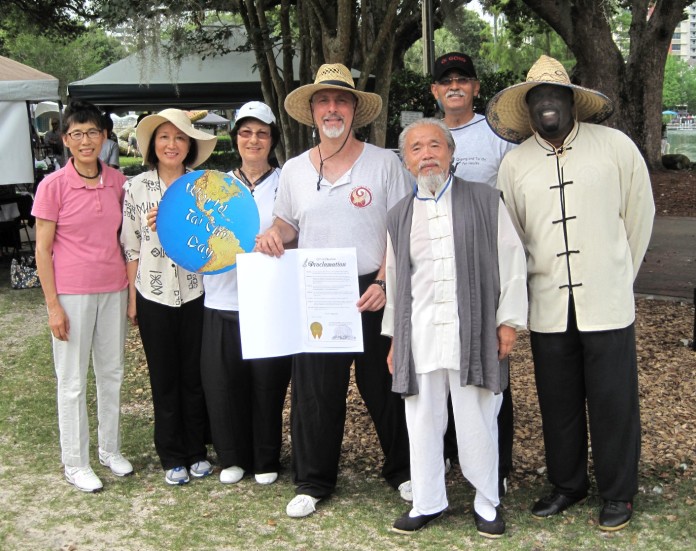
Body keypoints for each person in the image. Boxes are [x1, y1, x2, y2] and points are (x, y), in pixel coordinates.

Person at [487, 55, 655, 531]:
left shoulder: (616, 148)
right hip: (547, 306)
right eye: (537, 97)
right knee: (557, 403)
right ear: (528, 106)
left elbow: (639, 217)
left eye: (555, 95)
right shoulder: (515, 164)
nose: (547, 104)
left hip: (607, 302)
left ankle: (618, 493)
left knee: (613, 403)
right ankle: (567, 485)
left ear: (571, 101)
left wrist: (620, 276)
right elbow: (512, 238)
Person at [255, 63, 412, 518]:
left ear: (354, 110)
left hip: (371, 286)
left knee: (384, 384)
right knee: (315, 389)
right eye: (323, 101)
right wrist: (273, 235)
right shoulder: (295, 170)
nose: (332, 108)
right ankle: (313, 480)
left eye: (340, 100)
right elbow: (288, 223)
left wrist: (385, 281)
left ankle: (403, 470)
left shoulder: (384, 163)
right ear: (312, 112)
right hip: (318, 285)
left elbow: (401, 231)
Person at [382, 118, 527, 538]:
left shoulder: (485, 200)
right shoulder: (399, 215)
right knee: (422, 420)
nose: (426, 154)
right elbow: (394, 279)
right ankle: (428, 501)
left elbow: (512, 261)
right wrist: (394, 339)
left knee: (477, 416)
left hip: (473, 329)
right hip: (421, 331)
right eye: (416, 149)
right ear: (407, 161)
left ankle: (486, 501)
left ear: (450, 153)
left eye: (434, 146)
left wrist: (508, 322)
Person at [32, 100, 133, 492]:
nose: (86, 140)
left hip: (113, 289)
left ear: (105, 137)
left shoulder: (119, 182)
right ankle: (76, 461)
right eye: (77, 134)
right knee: (72, 381)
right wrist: (53, 306)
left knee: (112, 374)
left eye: (92, 132)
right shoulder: (53, 186)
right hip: (72, 293)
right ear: (66, 141)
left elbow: (131, 234)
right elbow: (42, 250)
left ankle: (110, 449)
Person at [431, 51, 517, 494]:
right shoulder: (427, 139)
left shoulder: (499, 138)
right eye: (446, 80)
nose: (455, 86)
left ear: (476, 88)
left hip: (486, 272)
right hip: (437, 273)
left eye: (463, 78)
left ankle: (496, 468)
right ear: (435, 91)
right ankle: (450, 459)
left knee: (492, 371)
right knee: (442, 369)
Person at [121, 109, 217, 486]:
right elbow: (130, 248)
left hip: (196, 292)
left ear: (189, 144)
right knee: (164, 377)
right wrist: (133, 299)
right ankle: (171, 454)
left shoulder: (202, 185)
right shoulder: (136, 188)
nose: (171, 144)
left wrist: (186, 220)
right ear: (152, 145)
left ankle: (196, 450)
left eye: (179, 137)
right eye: (163, 137)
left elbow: (217, 237)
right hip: (152, 292)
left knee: (195, 376)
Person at [200, 101, 291, 485]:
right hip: (221, 298)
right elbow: (193, 232)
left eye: (262, 133)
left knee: (267, 382)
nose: (253, 140)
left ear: (272, 139)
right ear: (235, 138)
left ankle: (266, 457)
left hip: (269, 300)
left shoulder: (288, 182)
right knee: (223, 383)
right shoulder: (214, 185)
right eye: (246, 132)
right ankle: (232, 457)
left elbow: (299, 228)